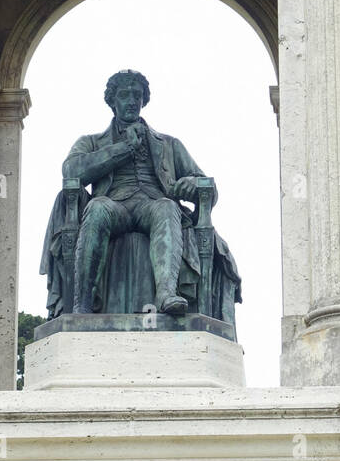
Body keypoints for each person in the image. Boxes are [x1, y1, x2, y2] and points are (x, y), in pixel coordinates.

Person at [40, 69, 240, 322]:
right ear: (112, 101)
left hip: (152, 204)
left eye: (137, 95)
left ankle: (167, 294)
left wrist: (191, 183)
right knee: (98, 207)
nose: (132, 100)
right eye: (125, 95)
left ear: (144, 100)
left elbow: (208, 187)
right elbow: (71, 171)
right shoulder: (92, 141)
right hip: (115, 205)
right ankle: (83, 302)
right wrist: (124, 148)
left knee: (167, 207)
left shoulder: (169, 143)